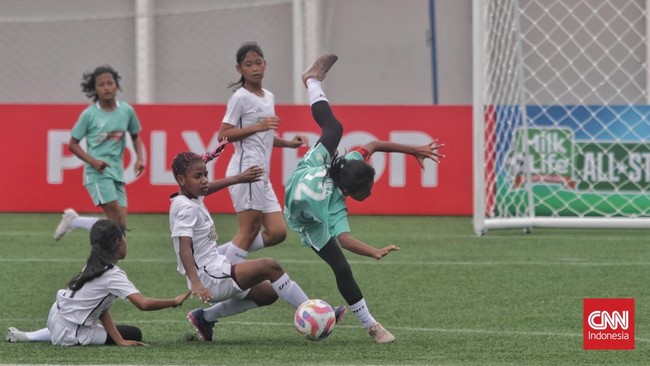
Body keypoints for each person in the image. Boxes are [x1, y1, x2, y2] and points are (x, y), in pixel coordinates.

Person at [283, 54, 444, 343]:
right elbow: (343, 239)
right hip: (303, 217)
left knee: (334, 129)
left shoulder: (348, 164)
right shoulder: (329, 204)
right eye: (366, 192)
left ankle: (312, 80)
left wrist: (412, 150)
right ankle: (372, 326)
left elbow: (374, 144)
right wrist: (373, 251)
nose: (370, 194)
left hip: (310, 168)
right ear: (349, 192)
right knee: (341, 267)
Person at [169, 150, 344, 342]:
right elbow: (183, 246)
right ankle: (314, 313)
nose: (204, 180)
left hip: (216, 268)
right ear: (181, 179)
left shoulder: (190, 197)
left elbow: (206, 189)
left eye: (205, 175)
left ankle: (205, 317)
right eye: (197, 176)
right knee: (269, 266)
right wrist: (195, 282)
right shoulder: (185, 208)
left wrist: (238, 178)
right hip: (209, 278)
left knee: (268, 294)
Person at [6, 220, 190, 346]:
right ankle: (43, 335)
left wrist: (118, 340)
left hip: (56, 315)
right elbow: (143, 304)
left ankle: (27, 336)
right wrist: (174, 301)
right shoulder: (113, 275)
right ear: (118, 242)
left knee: (103, 326)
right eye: (124, 238)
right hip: (71, 333)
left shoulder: (94, 262)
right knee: (134, 333)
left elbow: (102, 308)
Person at [216, 42, 309, 264]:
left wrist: (288, 143)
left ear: (265, 64)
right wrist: (258, 126)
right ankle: (225, 279)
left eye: (258, 62)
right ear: (239, 69)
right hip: (246, 171)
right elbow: (223, 135)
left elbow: (264, 136)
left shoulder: (268, 96)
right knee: (248, 230)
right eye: (248, 64)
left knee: (277, 232)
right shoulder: (240, 97)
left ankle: (214, 257)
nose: (255, 68)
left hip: (262, 174)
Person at [54, 65, 145, 241]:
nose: (106, 87)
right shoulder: (89, 114)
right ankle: (102, 263)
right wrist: (93, 161)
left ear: (116, 85)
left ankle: (74, 221)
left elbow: (135, 136)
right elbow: (72, 144)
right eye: (101, 84)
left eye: (110, 83)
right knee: (115, 222)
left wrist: (139, 159)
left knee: (119, 227)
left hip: (117, 174)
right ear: (95, 90)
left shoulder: (126, 111)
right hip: (97, 174)